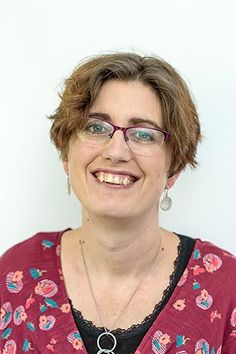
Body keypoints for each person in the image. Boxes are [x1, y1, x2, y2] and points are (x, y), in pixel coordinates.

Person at [0, 53, 235, 354]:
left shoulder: (226, 290)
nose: (116, 151)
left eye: (144, 134)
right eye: (96, 127)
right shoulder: (15, 276)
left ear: (173, 167)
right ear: (65, 155)